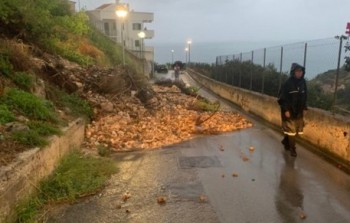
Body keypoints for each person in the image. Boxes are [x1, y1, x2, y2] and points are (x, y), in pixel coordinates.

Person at [278, 63, 307, 157]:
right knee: (291, 131)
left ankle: (285, 141)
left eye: (301, 71)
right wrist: (286, 110)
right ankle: (292, 149)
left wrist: (305, 107)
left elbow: (305, 96)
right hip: (289, 111)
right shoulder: (287, 83)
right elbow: (282, 98)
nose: (299, 73)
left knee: (296, 130)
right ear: (293, 72)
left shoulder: (303, 83)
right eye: (297, 71)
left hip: (299, 111)